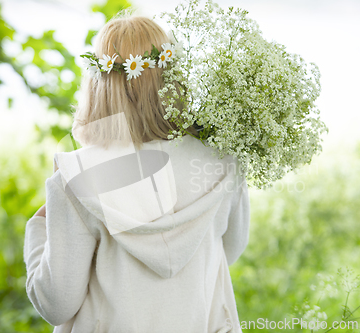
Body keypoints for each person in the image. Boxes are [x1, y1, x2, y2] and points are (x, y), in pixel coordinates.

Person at [23, 13, 250, 333]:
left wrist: (38, 228)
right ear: (174, 78)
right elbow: (231, 248)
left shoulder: (77, 178)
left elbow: (56, 303)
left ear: (97, 85)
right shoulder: (223, 161)